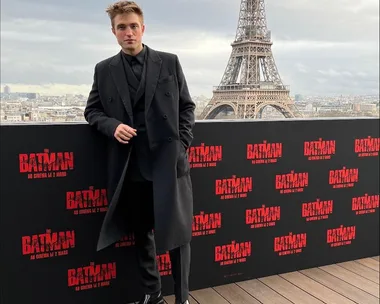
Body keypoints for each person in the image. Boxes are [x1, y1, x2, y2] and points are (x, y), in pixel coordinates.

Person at [83, 1, 196, 304]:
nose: (128, 32)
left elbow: (187, 107)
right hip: (130, 165)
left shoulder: (169, 62)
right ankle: (153, 295)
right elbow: (92, 111)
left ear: (143, 28)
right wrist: (112, 125)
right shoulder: (103, 69)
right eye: (122, 27)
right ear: (114, 32)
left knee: (178, 236)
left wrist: (182, 145)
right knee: (142, 233)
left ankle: (182, 298)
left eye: (133, 26)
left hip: (169, 163)